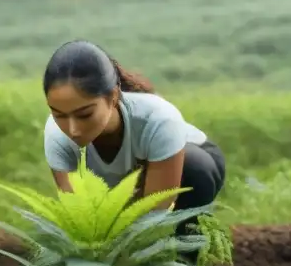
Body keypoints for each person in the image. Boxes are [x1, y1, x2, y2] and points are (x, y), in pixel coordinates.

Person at [42, 39, 226, 220]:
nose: (72, 130)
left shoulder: (158, 119)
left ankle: (191, 244)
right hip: (130, 181)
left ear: (113, 96)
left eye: (85, 115)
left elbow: (155, 213)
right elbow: (77, 212)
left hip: (190, 161)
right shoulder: (56, 134)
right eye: (59, 115)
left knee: (194, 168)